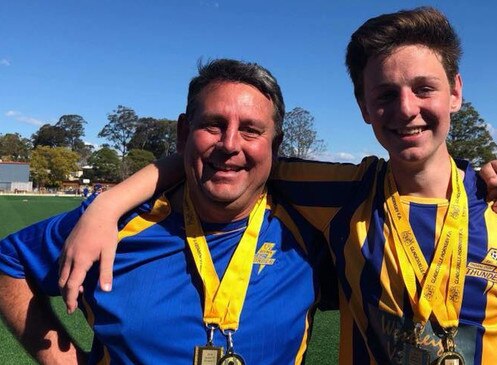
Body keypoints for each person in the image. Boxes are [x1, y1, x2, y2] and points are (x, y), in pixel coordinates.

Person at [58, 8, 497, 365]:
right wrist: (111, 204)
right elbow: (226, 155)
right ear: (364, 108)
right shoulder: (340, 193)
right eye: (384, 94)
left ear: (456, 93)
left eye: (424, 88)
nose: (406, 108)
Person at [0, 59, 333, 364]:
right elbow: (9, 262)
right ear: (183, 133)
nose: (230, 144)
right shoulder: (113, 223)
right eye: (213, 125)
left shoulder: (312, 229)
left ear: (275, 145)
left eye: (251, 130)